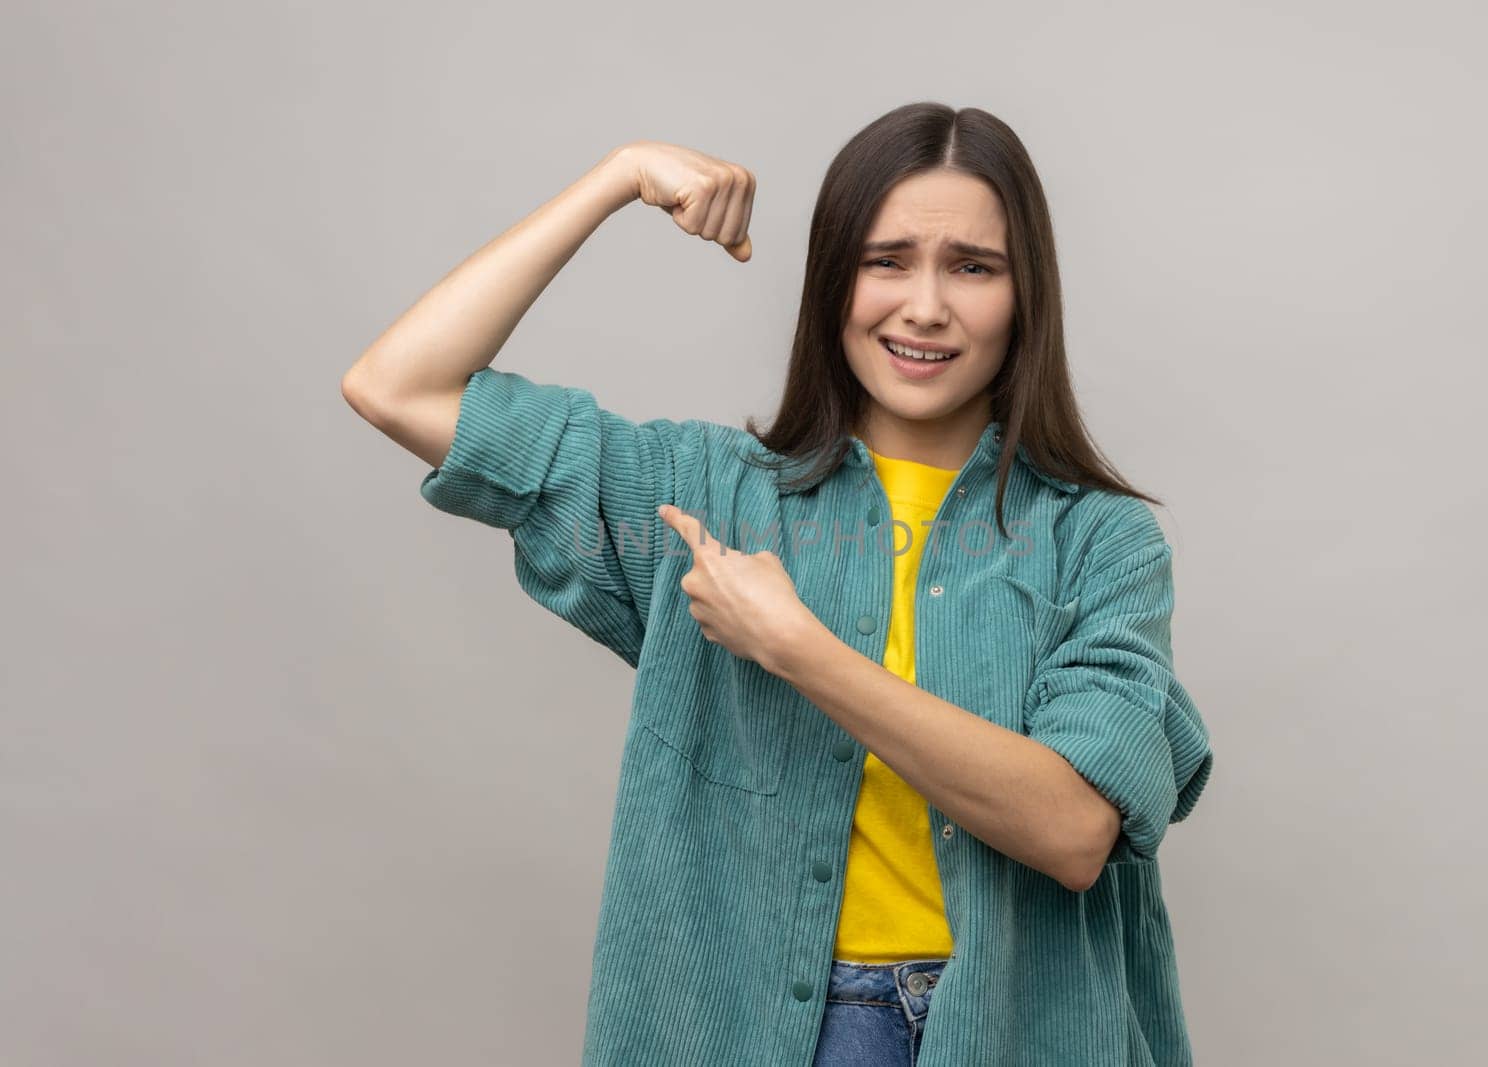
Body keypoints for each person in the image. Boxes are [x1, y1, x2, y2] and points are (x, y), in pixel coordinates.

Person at [342, 102, 1215, 1067]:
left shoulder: (1099, 539)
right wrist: (616, 177)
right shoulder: (705, 500)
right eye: (887, 261)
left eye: (973, 266)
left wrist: (797, 648)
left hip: (1022, 1027)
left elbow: (1073, 827)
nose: (926, 306)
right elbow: (399, 386)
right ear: (832, 282)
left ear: (1026, 294)